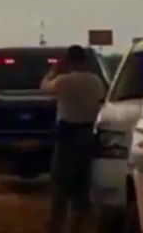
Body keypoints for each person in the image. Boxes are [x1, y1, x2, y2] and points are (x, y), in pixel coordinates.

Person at [40, 45, 108, 233]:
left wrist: (54, 70)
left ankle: (56, 226)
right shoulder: (95, 81)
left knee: (60, 186)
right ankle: (77, 226)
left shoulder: (64, 81)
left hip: (67, 135)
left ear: (68, 61)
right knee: (82, 185)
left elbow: (44, 87)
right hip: (88, 135)